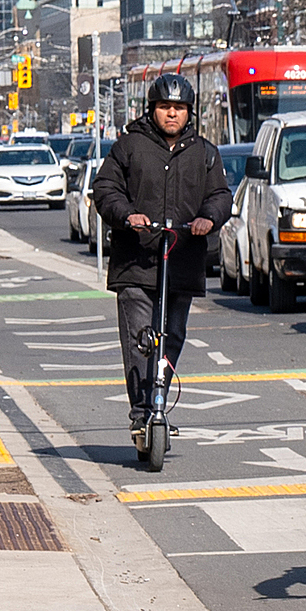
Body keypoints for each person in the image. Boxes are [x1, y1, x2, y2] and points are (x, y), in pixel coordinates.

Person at [92, 74, 233, 448]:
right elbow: (105, 188)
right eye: (165, 107)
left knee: (172, 336)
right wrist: (126, 215)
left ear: (190, 112)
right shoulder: (129, 146)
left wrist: (208, 217)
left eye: (179, 108)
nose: (172, 114)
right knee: (141, 338)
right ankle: (142, 414)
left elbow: (221, 194)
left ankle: (158, 401)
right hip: (136, 261)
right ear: (152, 109)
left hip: (182, 258)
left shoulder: (205, 153)